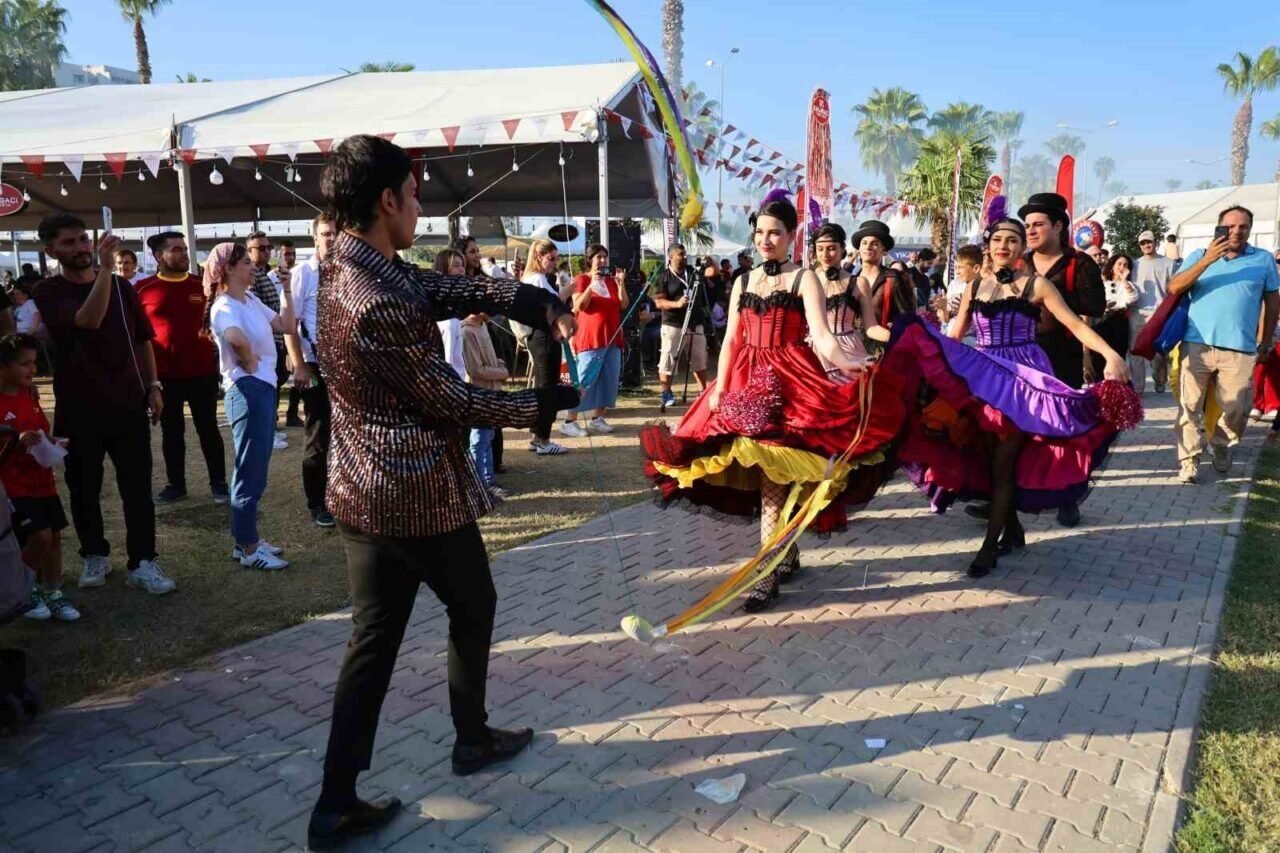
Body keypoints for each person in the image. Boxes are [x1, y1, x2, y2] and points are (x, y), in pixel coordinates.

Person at [305, 135, 580, 849]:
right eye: (413, 194)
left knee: (374, 639)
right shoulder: (373, 299)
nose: (420, 208)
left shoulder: (351, 265)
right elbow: (452, 400)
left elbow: (445, 289)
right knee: (472, 603)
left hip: (362, 490)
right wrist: (540, 404)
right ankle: (471, 738)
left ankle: (335, 801)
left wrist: (532, 301)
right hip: (409, 493)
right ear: (386, 201)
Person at [641, 191, 905, 612]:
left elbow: (822, 336)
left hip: (792, 381)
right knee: (764, 474)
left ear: (791, 235)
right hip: (745, 379)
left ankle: (765, 573)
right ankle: (785, 553)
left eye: (775, 233)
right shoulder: (743, 281)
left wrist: (850, 365)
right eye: (760, 232)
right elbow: (731, 340)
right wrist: (719, 390)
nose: (766, 240)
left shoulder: (805, 278)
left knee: (776, 478)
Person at [884, 215, 1132, 577]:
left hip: (1022, 379)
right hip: (982, 375)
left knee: (1003, 463)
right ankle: (1013, 531)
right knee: (989, 460)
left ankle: (989, 547)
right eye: (998, 239)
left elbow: (1075, 324)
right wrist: (928, 358)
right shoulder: (974, 286)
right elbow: (955, 337)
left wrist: (1110, 354)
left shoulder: (1037, 284)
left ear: (1022, 248)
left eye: (1013, 240)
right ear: (988, 246)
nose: (1005, 245)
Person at [33, 213, 175, 595]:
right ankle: (94, 554)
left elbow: (143, 339)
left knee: (137, 488)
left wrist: (153, 385)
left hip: (128, 404)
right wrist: (107, 271)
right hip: (78, 409)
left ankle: (143, 561)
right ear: (51, 251)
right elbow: (88, 320)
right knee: (84, 489)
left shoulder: (123, 287)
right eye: (69, 243)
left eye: (83, 239)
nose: (80, 248)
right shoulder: (49, 291)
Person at [1169, 205, 1280, 483]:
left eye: (1243, 226)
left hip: (1241, 348)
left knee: (1238, 410)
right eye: (1230, 226)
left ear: (1250, 230)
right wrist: (1208, 259)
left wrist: (1266, 340)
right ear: (1218, 228)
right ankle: (1189, 461)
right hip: (1196, 344)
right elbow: (1175, 287)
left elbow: (1272, 302)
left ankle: (1220, 444)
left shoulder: (1263, 259)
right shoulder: (1199, 255)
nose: (1236, 231)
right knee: (1189, 407)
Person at [204, 242, 296, 570]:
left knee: (256, 468)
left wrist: (287, 291)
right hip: (247, 390)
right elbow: (233, 336)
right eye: (245, 262)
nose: (252, 266)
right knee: (249, 470)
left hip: (261, 388)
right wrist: (247, 358)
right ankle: (248, 548)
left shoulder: (251, 299)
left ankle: (246, 538)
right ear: (228, 269)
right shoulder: (224, 305)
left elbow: (286, 325)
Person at [1019, 192, 1105, 529]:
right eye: (1027, 225)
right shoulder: (1019, 262)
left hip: (1061, 358)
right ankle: (1002, 497)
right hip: (1020, 356)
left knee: (1062, 428)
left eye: (1038, 224)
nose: (1030, 230)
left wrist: (1053, 300)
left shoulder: (1078, 264)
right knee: (1015, 427)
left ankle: (1068, 498)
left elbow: (1095, 309)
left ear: (1058, 226)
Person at [135, 232, 228, 506]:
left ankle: (219, 483)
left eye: (185, 249)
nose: (184, 254)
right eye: (176, 249)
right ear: (158, 256)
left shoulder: (203, 286)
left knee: (208, 429)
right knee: (172, 432)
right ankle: (176, 485)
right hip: (164, 378)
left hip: (202, 373)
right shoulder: (142, 289)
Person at [0, 334, 80, 623]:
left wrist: (51, 441)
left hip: (42, 481)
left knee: (54, 537)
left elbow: (40, 429)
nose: (33, 369)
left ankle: (53, 591)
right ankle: (23, 590)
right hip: (14, 486)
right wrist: (16, 440)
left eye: (34, 362)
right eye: (25, 364)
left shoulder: (30, 395)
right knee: (39, 536)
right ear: (3, 367)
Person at [287, 214, 338, 528]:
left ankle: (340, 496)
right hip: (315, 362)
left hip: (344, 362)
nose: (331, 238)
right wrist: (300, 364)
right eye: (326, 233)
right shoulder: (303, 273)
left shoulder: (346, 269)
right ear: (315, 238)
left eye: (335, 233)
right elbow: (289, 324)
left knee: (345, 435)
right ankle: (317, 503)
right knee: (318, 436)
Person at [510, 239, 573, 455]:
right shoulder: (536, 279)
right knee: (548, 389)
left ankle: (538, 437)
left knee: (543, 387)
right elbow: (549, 307)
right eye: (551, 258)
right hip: (543, 337)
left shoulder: (535, 278)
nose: (554, 263)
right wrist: (565, 293)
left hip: (539, 337)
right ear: (538, 257)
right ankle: (543, 440)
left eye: (556, 258)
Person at [562, 243, 628, 437]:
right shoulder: (582, 279)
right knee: (585, 378)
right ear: (589, 260)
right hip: (591, 337)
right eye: (598, 257)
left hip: (612, 337)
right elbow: (579, 305)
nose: (602, 260)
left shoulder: (611, 281)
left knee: (609, 378)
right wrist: (592, 285)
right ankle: (569, 421)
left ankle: (597, 417)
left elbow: (623, 304)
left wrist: (621, 284)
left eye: (605, 256)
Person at [811, 223, 876, 377]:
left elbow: (871, 327)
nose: (825, 254)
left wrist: (901, 335)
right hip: (813, 350)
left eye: (831, 248)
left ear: (842, 249)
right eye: (820, 249)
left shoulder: (859, 283)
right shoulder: (807, 280)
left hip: (849, 349)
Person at [246, 232, 289, 451]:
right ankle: (266, 432)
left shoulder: (263, 273)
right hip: (265, 341)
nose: (266, 251)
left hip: (274, 338)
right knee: (265, 388)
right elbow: (253, 310)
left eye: (268, 247)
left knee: (274, 385)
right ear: (249, 251)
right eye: (260, 248)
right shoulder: (252, 274)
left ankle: (270, 428)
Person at [652, 243, 708, 411]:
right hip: (673, 324)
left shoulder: (692, 272)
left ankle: (703, 391)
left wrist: (708, 261)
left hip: (695, 323)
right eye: (680, 254)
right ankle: (666, 392)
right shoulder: (664, 276)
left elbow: (713, 272)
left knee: (699, 358)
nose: (684, 257)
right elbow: (658, 302)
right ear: (671, 257)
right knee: (668, 359)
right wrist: (676, 304)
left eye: (685, 254)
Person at [461, 311, 510, 499]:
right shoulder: (467, 331)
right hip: (479, 393)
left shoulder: (482, 325)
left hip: (492, 391)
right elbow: (475, 370)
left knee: (488, 437)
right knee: (479, 439)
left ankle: (488, 480)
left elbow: (489, 358)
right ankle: (480, 484)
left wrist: (498, 363)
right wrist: (501, 372)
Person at [1131, 230, 1176, 394]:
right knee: (1135, 351)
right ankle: (1138, 388)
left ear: (1155, 242)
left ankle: (1160, 380)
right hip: (1138, 311)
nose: (1146, 245)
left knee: (1158, 352)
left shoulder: (1169, 263)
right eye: (1143, 243)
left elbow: (1174, 288)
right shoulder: (1134, 264)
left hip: (1159, 312)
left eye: (1149, 242)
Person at [852, 221, 914, 332]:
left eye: (875, 243)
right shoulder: (850, 280)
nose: (868, 247)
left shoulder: (893, 279)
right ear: (859, 249)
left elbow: (908, 315)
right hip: (852, 341)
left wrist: (896, 327)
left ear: (884, 251)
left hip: (883, 340)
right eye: (864, 243)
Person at [1085, 254, 1138, 382]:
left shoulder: (1129, 285)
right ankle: (1100, 384)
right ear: (1112, 266)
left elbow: (1132, 299)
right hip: (1102, 320)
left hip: (1119, 321)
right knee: (1099, 355)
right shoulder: (1103, 283)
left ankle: (1116, 386)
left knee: (1118, 354)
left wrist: (1124, 280)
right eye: (1119, 264)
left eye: (1125, 265)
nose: (1122, 267)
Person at [275, 240, 304, 429]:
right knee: (278, 378)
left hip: (297, 334)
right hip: (278, 334)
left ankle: (292, 412)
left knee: (297, 378)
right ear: (279, 255)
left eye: (293, 253)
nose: (290, 257)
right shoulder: (271, 278)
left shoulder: (300, 275)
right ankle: (274, 416)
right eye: (286, 254)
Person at [433, 250, 467, 378]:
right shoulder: (448, 321)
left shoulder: (454, 310)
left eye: (462, 265)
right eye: (456, 265)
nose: (462, 270)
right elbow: (448, 363)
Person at [943, 245, 984, 334]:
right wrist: (942, 308)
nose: (957, 272)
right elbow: (946, 319)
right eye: (956, 267)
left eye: (960, 267)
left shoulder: (986, 289)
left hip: (972, 339)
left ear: (976, 268)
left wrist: (965, 313)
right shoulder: (954, 285)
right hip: (952, 336)